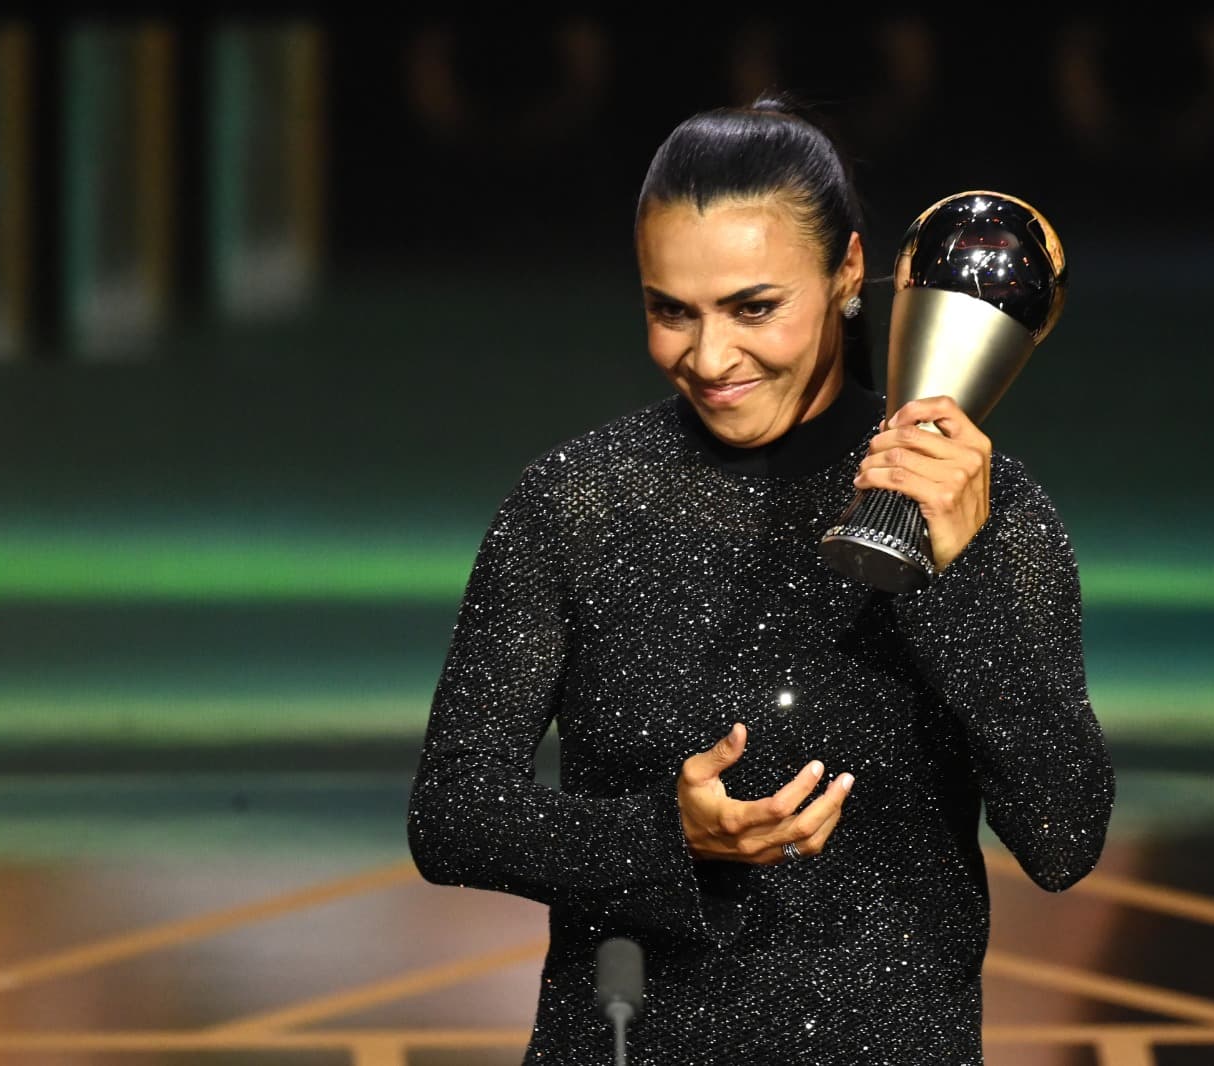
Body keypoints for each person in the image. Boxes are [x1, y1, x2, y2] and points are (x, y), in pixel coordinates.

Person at [405, 92, 1114, 1065]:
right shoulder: (572, 504)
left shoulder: (983, 509)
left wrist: (957, 575)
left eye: (754, 308)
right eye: (670, 311)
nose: (707, 356)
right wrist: (663, 836)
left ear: (848, 273)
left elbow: (1063, 835)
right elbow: (451, 816)